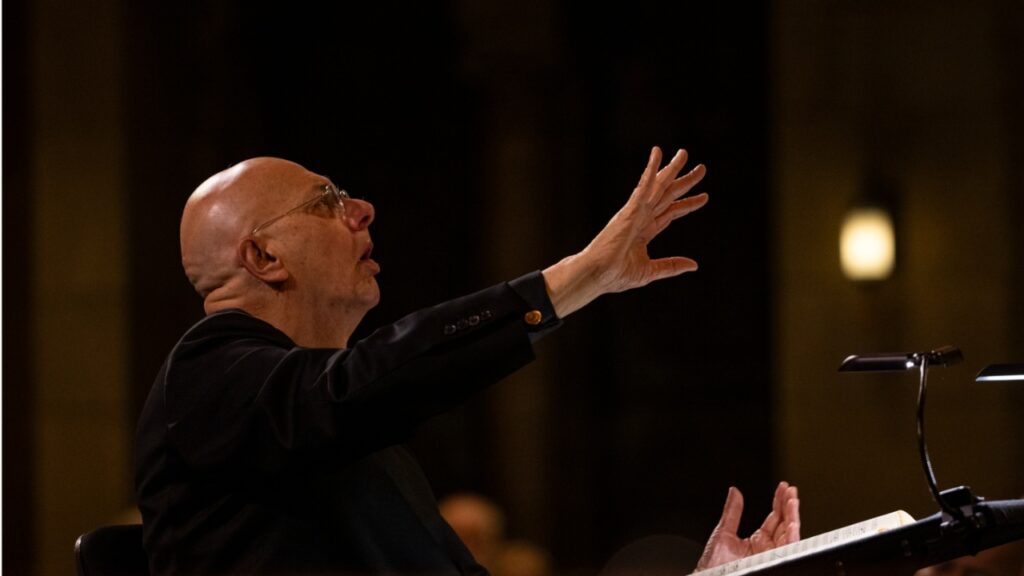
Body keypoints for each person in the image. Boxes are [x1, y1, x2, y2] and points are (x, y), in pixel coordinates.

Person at [135, 147, 801, 576]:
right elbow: (361, 385)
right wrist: (577, 277)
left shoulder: (343, 430)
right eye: (327, 201)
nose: (362, 210)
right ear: (264, 257)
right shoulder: (206, 372)